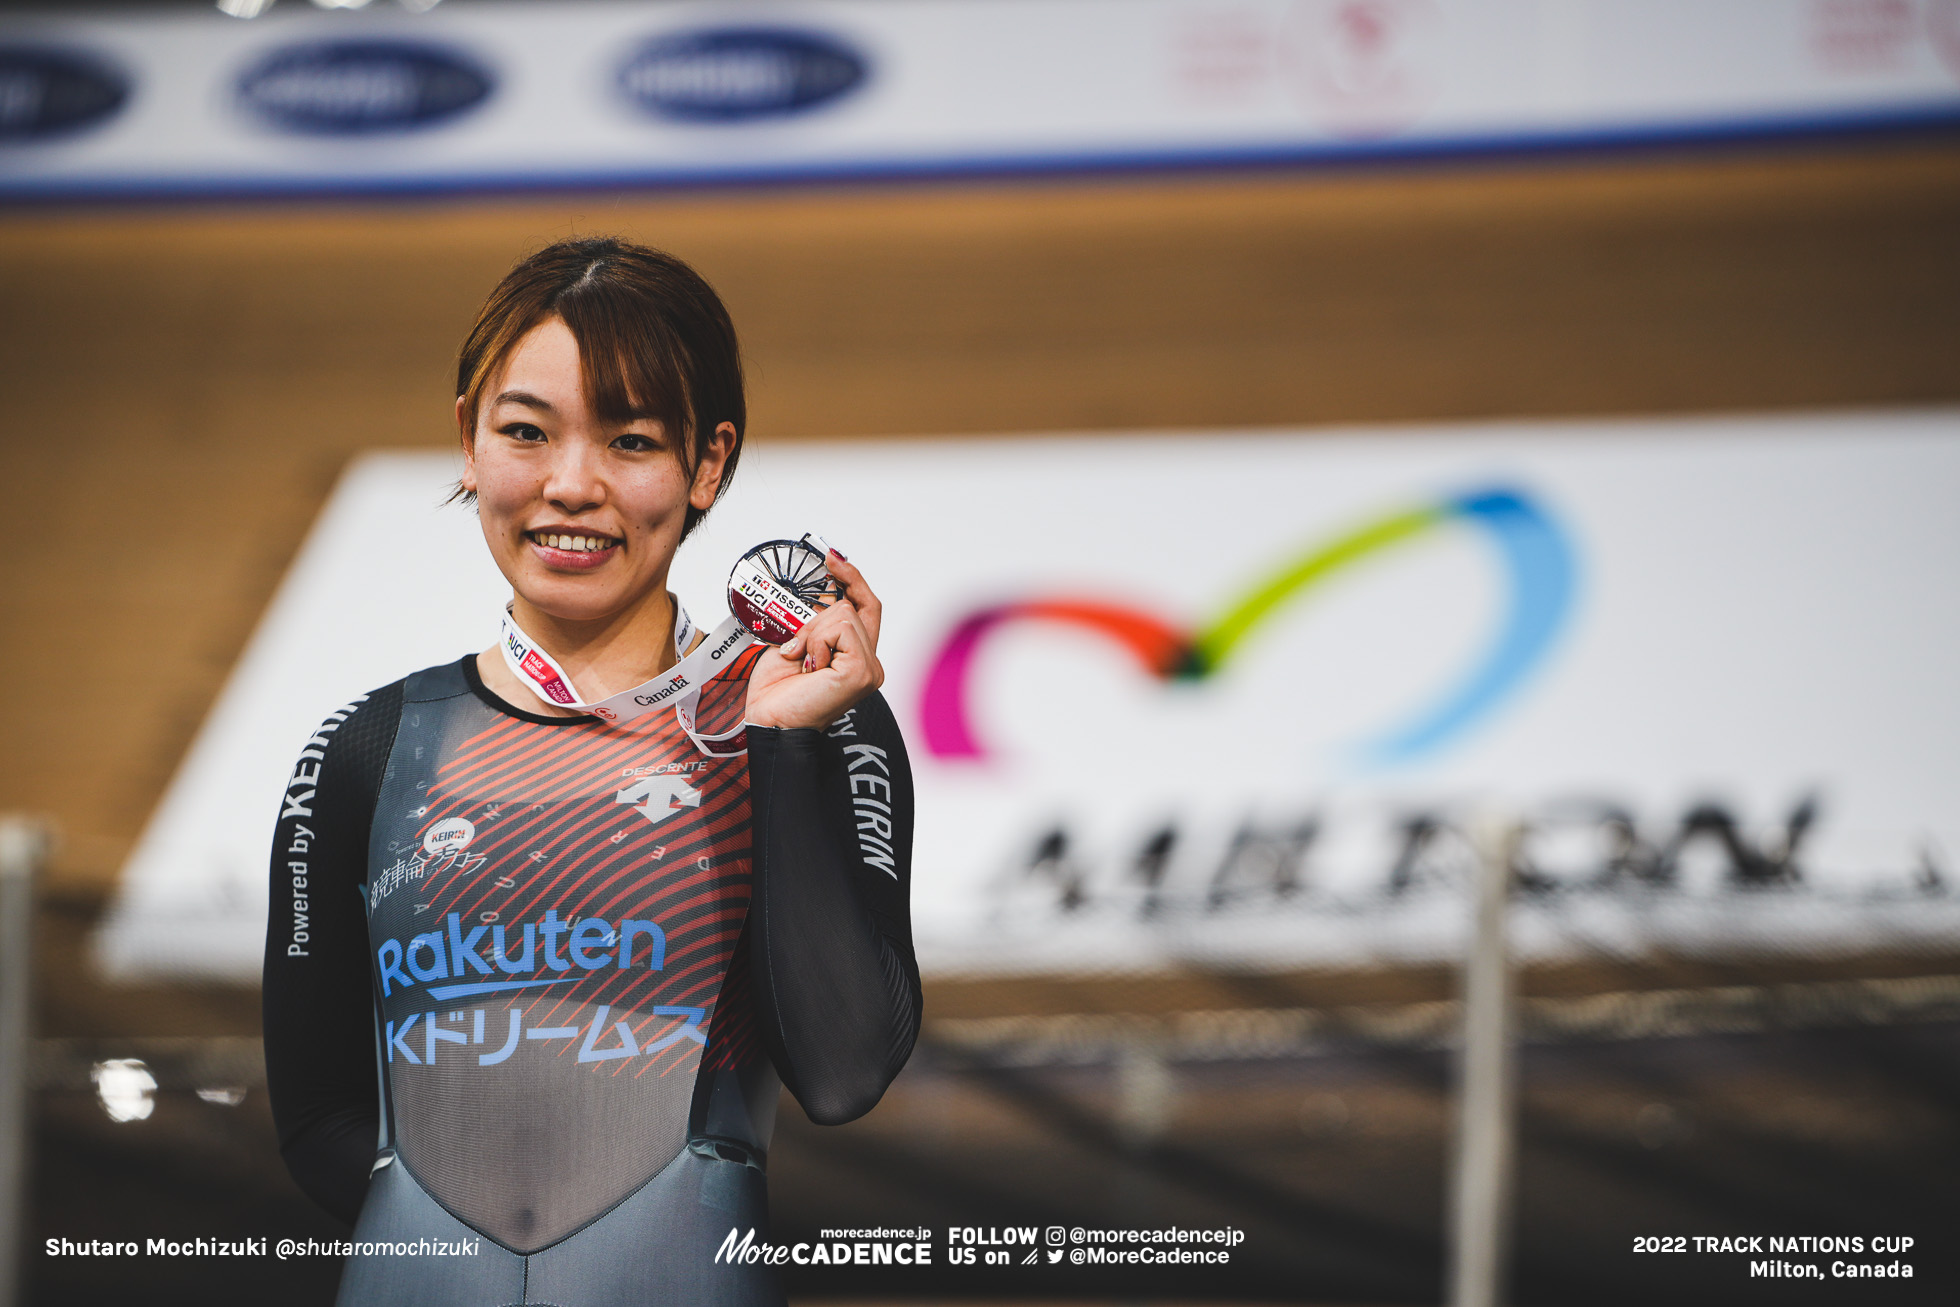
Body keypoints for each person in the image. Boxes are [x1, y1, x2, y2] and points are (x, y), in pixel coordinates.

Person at [261, 238, 920, 1306]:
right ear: (468, 440)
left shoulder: (811, 718)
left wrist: (785, 743)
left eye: (630, 439)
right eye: (525, 430)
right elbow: (316, 1121)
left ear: (707, 463)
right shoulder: (368, 747)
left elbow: (843, 1075)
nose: (572, 484)